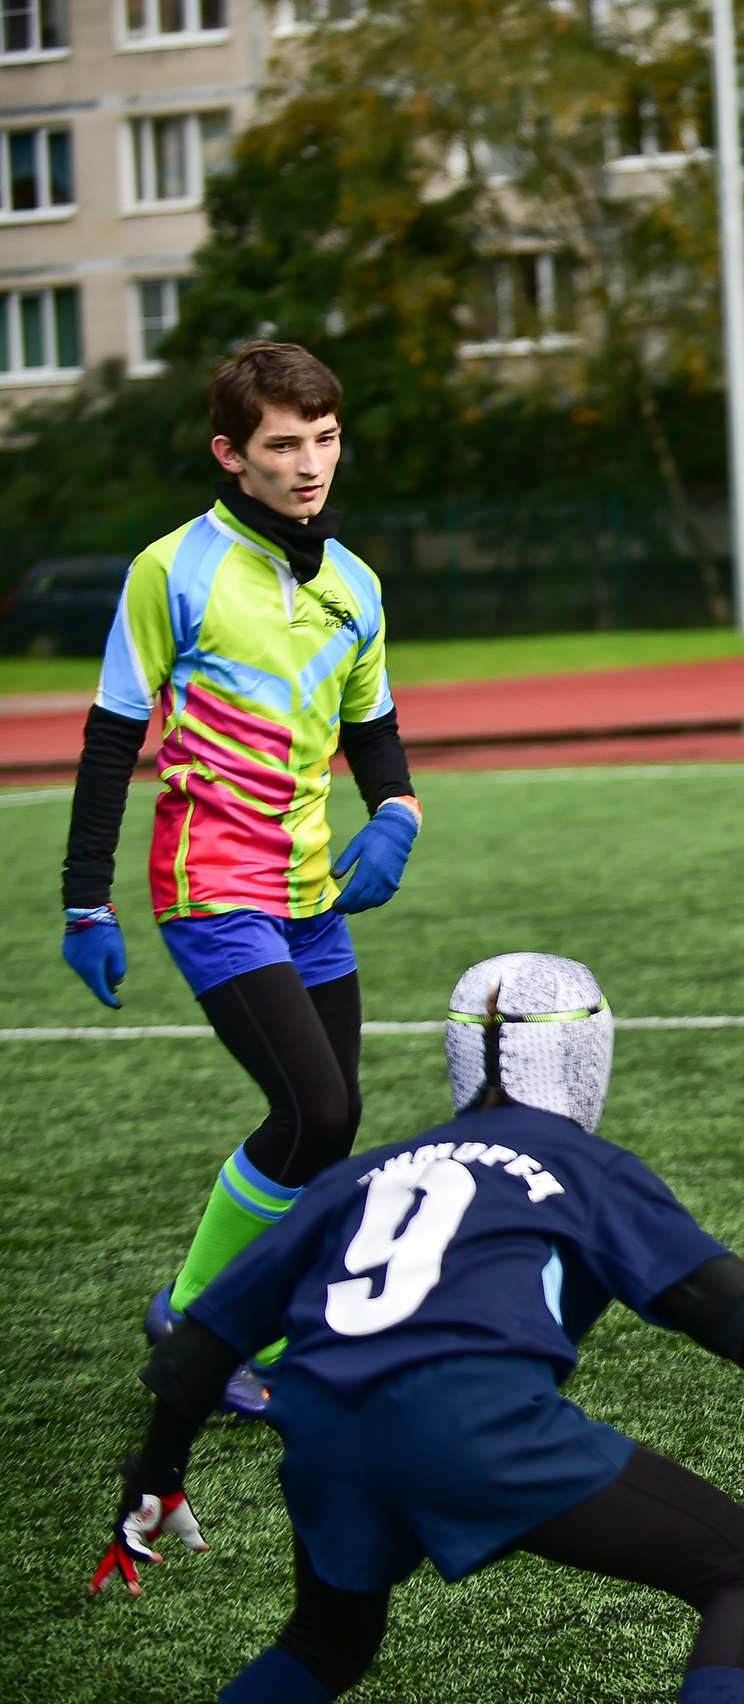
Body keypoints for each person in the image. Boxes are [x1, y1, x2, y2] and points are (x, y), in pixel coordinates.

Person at [89, 954, 744, 1704]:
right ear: (584, 1050)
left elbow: (200, 1340)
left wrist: (154, 1475)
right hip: (474, 1423)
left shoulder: (363, 1174)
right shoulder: (581, 1163)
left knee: (326, 1642)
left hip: (319, 1436)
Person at [60, 341, 423, 1416]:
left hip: (312, 890)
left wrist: (397, 812)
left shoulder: (354, 581)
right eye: (282, 445)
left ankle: (268, 1329)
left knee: (338, 1118)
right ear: (232, 454)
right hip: (210, 882)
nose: (309, 464)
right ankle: (194, 1320)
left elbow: (375, 726)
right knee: (307, 1108)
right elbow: (110, 738)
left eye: (324, 439)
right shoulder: (170, 570)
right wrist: (87, 894)